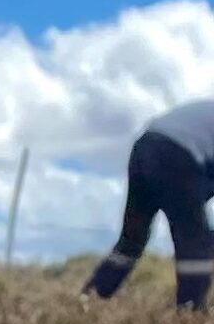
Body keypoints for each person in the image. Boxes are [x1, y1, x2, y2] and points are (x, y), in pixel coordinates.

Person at [86, 100, 214, 312]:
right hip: (177, 153)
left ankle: (88, 302)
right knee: (195, 244)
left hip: (145, 148)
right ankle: (190, 318)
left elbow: (199, 192)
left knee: (131, 241)